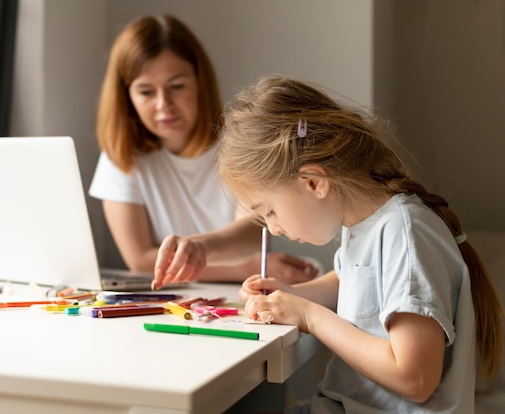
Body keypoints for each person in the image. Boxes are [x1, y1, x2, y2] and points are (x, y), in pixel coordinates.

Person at [158, 75, 505, 413]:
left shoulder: (405, 232)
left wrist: (309, 316)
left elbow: (413, 377)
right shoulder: (364, 224)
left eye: (271, 211)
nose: (274, 229)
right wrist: (291, 295)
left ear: (312, 182)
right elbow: (351, 282)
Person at [89, 15, 319, 289]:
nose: (164, 105)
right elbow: (139, 260)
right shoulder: (122, 156)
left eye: (176, 87)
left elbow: (252, 229)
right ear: (127, 97)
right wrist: (248, 268)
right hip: (205, 289)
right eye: (146, 92)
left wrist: (201, 252)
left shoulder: (239, 142)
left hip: (242, 291)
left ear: (199, 82)